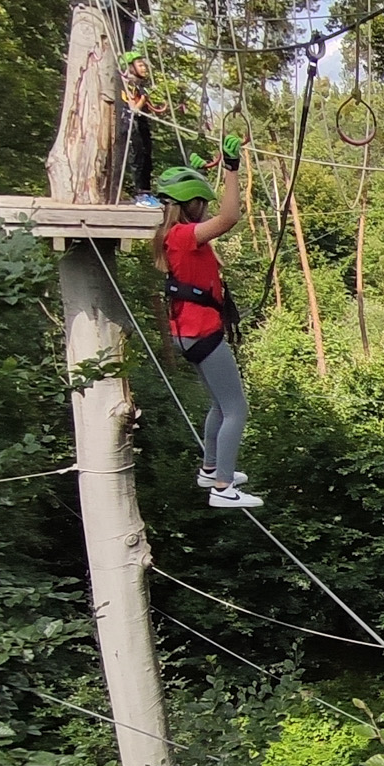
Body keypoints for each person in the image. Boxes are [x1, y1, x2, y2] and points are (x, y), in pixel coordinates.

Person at [153, 136, 262, 509]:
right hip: (202, 332)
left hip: (187, 332)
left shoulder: (172, 235)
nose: (204, 211)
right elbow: (230, 217)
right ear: (191, 206)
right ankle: (223, 487)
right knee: (236, 409)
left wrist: (205, 170)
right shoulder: (184, 236)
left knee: (219, 403)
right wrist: (232, 169)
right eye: (201, 204)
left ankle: (212, 468)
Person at [121, 49, 164, 204]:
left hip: (142, 124)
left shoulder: (138, 86)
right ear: (131, 67)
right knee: (138, 157)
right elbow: (133, 107)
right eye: (140, 64)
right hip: (132, 124)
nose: (144, 67)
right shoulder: (126, 85)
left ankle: (146, 191)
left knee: (147, 158)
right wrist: (144, 98)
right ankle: (140, 193)